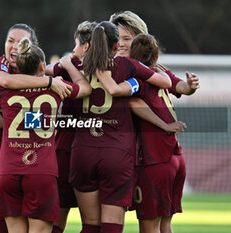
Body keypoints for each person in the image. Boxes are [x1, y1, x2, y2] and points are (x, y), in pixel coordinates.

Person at [0, 37, 91, 233]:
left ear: (17, 69)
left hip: (8, 172)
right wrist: (68, 65)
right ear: (41, 66)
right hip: (41, 171)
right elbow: (86, 88)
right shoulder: (56, 88)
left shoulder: (4, 90)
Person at [65, 21, 172, 233]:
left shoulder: (76, 65)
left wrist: (67, 62)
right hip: (117, 153)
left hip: (82, 151)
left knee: (89, 225)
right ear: (116, 47)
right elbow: (166, 83)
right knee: (111, 227)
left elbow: (47, 69)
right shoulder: (129, 66)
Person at [110, 11, 200, 233]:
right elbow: (178, 86)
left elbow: (135, 102)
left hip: (153, 161)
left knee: (149, 227)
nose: (120, 44)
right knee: (164, 225)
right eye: (117, 38)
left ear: (139, 39)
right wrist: (187, 87)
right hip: (172, 157)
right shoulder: (156, 71)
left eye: (126, 38)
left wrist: (190, 86)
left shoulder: (132, 75)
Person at [45, 20, 97, 233]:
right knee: (94, 222)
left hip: (65, 148)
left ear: (85, 47)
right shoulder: (114, 67)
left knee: (57, 219)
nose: (73, 50)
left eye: (76, 44)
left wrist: (65, 63)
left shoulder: (71, 65)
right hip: (99, 148)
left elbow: (44, 70)